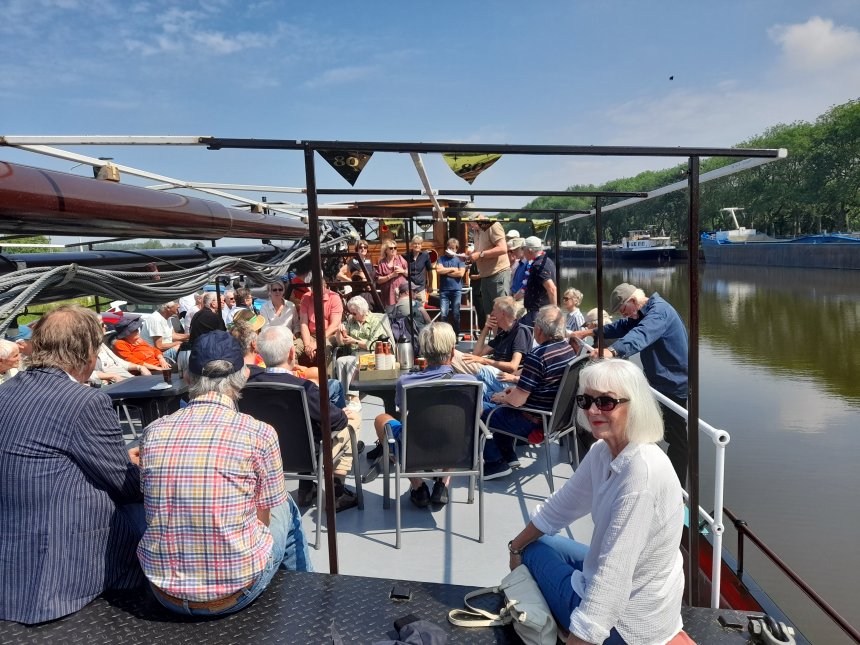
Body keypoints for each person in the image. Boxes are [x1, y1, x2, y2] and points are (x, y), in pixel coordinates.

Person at [506, 359, 685, 644]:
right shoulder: (605, 451)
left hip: (629, 625)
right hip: (643, 590)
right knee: (536, 543)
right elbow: (561, 506)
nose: (592, 410)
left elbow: (614, 576)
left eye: (606, 402)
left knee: (533, 554)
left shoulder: (641, 475)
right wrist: (515, 545)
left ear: (634, 405)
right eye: (586, 400)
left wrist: (582, 636)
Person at [139, 331, 313, 617]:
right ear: (243, 375)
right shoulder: (259, 433)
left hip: (164, 592)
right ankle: (303, 600)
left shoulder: (153, 432)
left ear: (187, 376)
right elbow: (264, 520)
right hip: (236, 593)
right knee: (286, 506)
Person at [0, 305, 145, 624]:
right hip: (57, 578)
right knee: (146, 508)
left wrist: (121, 457)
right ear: (88, 353)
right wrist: (140, 462)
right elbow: (127, 486)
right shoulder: (87, 402)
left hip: (11, 568)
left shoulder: (5, 392)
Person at [573, 283, 689, 485]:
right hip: (656, 385)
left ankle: (676, 490)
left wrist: (613, 351)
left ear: (633, 301)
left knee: (677, 441)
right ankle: (647, 474)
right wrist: (590, 333)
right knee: (646, 431)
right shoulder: (643, 313)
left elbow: (640, 335)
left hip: (672, 387)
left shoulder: (659, 312)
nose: (624, 315)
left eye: (623, 310)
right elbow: (622, 327)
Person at [252, 325, 361, 512]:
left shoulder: (248, 387)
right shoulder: (304, 388)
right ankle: (337, 493)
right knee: (351, 420)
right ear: (292, 353)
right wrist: (344, 413)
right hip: (307, 456)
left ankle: (306, 488)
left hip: (264, 457)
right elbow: (337, 421)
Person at [370, 322, 477, 507]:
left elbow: (402, 411)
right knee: (457, 427)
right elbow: (478, 414)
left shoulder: (406, 382)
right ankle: (443, 483)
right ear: (453, 352)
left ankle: (418, 486)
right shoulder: (470, 383)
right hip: (458, 449)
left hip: (415, 449)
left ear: (423, 354)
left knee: (382, 419)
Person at [481, 305, 576, 480]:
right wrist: (512, 392)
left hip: (533, 421)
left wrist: (505, 397)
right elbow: (541, 384)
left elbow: (516, 402)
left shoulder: (538, 355)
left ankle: (495, 463)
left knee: (478, 410)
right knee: (494, 400)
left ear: (538, 329)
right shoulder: (567, 349)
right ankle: (508, 455)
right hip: (555, 420)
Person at [457, 296, 533, 393]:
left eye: (494, 310)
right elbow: (477, 354)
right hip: (492, 373)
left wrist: (484, 360)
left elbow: (513, 366)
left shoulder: (520, 331)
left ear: (502, 313)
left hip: (503, 378)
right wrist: (485, 329)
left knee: (454, 355)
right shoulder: (503, 334)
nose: (491, 314)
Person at [335, 295, 385, 409]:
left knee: (352, 362)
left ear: (362, 311)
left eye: (354, 313)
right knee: (340, 361)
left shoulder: (374, 321)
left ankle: (354, 398)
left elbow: (375, 344)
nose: (352, 315)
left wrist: (355, 341)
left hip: (371, 356)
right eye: (351, 313)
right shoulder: (351, 321)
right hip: (354, 354)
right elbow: (341, 343)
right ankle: (344, 397)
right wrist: (339, 331)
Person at [467, 214, 511, 321]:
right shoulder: (478, 230)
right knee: (492, 314)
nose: (472, 228)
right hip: (485, 276)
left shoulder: (493, 225)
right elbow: (481, 250)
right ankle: (497, 337)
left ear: (479, 219)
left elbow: (502, 248)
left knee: (502, 312)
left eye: (472, 225)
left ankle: (505, 337)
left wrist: (480, 254)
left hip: (498, 273)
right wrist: (469, 256)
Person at [298, 278, 343, 368]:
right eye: (314, 288)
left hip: (329, 335)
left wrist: (317, 343)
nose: (316, 290)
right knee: (293, 348)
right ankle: (295, 377)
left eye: (319, 287)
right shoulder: (306, 297)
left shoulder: (334, 297)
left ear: (325, 286)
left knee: (324, 350)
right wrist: (307, 345)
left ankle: (325, 379)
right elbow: (304, 323)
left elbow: (334, 325)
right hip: (311, 335)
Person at [517, 236, 557, 327]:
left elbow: (552, 289)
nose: (522, 252)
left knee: (519, 331)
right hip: (537, 311)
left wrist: (553, 312)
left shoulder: (538, 266)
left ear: (530, 250)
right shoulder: (546, 261)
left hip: (538, 313)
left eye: (523, 249)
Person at [435, 237, 466, 335]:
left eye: (453, 248)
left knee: (456, 314)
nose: (451, 250)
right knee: (444, 314)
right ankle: (444, 336)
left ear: (456, 249)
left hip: (456, 290)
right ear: (446, 247)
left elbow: (461, 274)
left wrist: (446, 271)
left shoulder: (460, 260)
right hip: (444, 290)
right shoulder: (441, 258)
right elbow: (438, 270)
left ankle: (456, 334)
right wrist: (453, 269)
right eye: (450, 247)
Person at [376, 240, 409, 309]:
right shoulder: (382, 263)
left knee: (403, 313)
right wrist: (391, 275)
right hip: (388, 295)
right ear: (386, 250)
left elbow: (408, 273)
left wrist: (402, 271)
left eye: (395, 248)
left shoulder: (400, 258)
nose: (393, 250)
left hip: (401, 293)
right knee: (390, 315)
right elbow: (378, 280)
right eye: (391, 248)